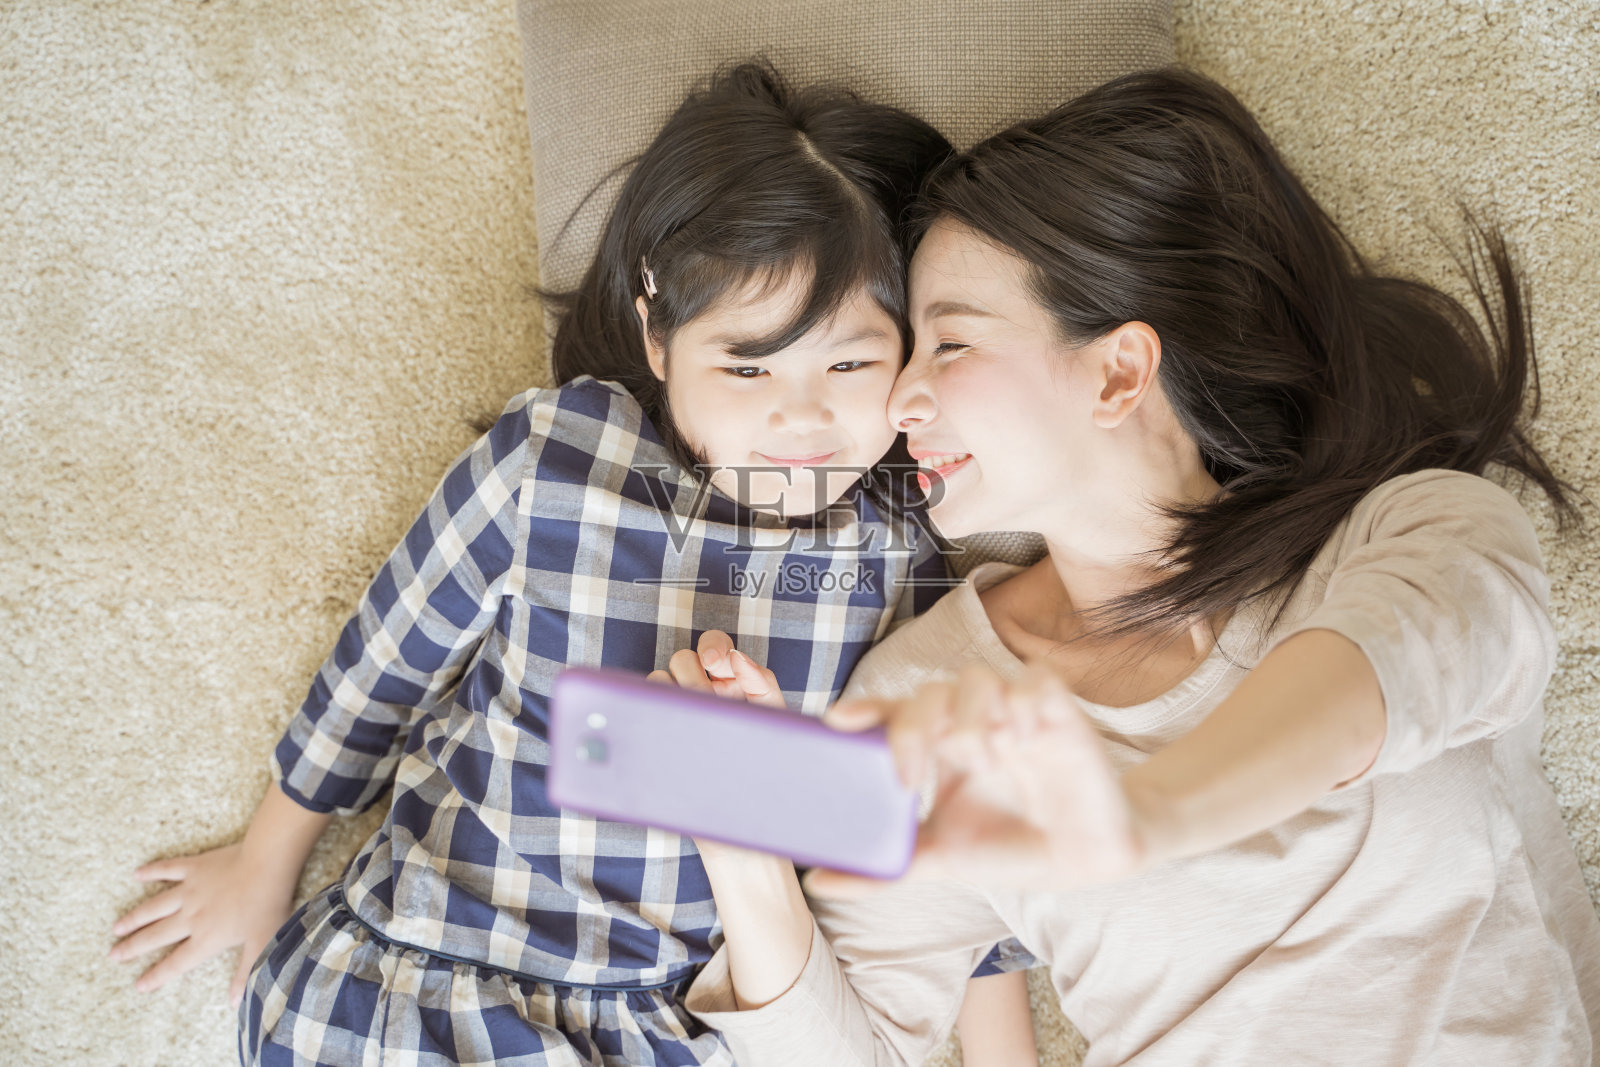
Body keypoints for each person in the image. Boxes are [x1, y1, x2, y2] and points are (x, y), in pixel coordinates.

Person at [107, 63, 1039, 1066]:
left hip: (666, 1022)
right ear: (658, 334)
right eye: (747, 363)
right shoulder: (557, 458)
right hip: (430, 962)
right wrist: (267, 854)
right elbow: (387, 656)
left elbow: (948, 848)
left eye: (850, 362)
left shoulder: (898, 549)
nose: (801, 418)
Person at [673, 67, 1600, 1065]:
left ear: (1118, 370)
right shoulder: (926, 688)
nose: (901, 398)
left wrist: (1142, 813)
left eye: (949, 343)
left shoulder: (1416, 532)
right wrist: (742, 841)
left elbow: (1381, 676)